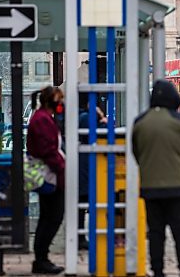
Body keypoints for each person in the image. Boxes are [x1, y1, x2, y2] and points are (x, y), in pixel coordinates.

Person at [132, 80, 180, 277]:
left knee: (155, 233)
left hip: (150, 189)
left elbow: (136, 152)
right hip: (177, 187)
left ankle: (157, 271)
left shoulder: (140, 122)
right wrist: (179, 166)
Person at [27, 86, 65, 274]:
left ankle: (42, 257)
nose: (62, 105)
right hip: (49, 174)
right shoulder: (42, 119)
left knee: (48, 216)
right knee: (53, 217)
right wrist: (62, 166)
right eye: (59, 101)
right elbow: (48, 149)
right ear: (52, 102)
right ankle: (41, 258)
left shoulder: (43, 117)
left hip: (51, 174)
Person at [78, 93, 107, 250]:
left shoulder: (80, 116)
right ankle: (82, 237)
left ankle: (81, 236)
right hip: (86, 167)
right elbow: (98, 136)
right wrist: (102, 120)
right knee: (85, 204)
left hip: (83, 166)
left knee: (83, 205)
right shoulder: (86, 117)